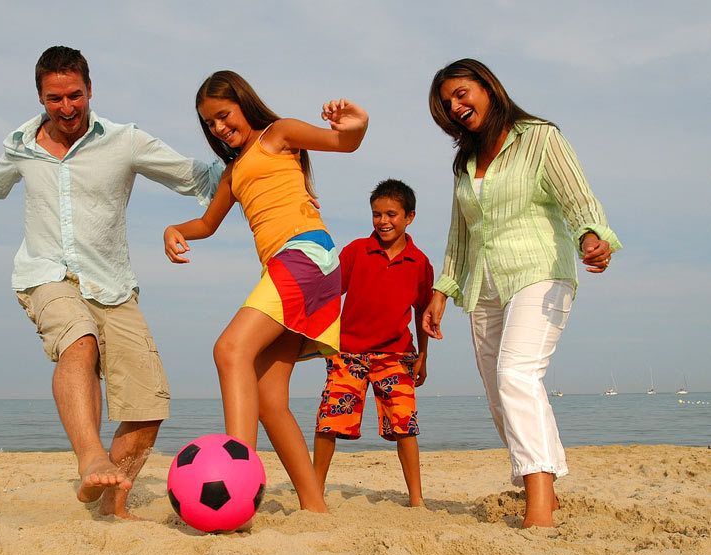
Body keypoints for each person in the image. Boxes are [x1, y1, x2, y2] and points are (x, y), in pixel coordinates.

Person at [0, 46, 222, 519]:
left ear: (90, 89)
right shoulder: (22, 144)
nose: (67, 108)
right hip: (44, 274)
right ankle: (90, 457)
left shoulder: (125, 141)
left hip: (112, 283)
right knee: (78, 342)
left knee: (148, 402)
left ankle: (112, 506)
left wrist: (262, 157)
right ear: (41, 96)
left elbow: (198, 178)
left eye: (75, 96)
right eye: (54, 98)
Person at [422, 59, 622, 528]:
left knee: (516, 375)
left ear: (488, 87)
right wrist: (441, 292)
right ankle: (546, 492)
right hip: (484, 285)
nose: (456, 105)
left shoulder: (539, 137)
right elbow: (460, 236)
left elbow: (579, 198)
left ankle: (538, 507)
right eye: (447, 102)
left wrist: (593, 236)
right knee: (500, 391)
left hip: (539, 271)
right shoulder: (465, 163)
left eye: (462, 92)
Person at [163, 70, 369, 513]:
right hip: (292, 267)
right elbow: (206, 224)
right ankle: (315, 506)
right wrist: (174, 229)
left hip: (306, 255)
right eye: (209, 124)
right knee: (270, 401)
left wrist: (357, 122)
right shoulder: (233, 172)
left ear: (242, 102)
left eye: (223, 115)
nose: (218, 128)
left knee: (229, 350)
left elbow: (344, 143)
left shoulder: (278, 135)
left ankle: (236, 480)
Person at [312, 179, 433, 507]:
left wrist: (423, 355)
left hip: (397, 356)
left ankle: (417, 500)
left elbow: (423, 312)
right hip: (348, 353)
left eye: (391, 214)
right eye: (377, 214)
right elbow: (327, 292)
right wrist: (318, 339)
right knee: (328, 422)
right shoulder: (356, 251)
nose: (383, 221)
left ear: (410, 217)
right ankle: (314, 492)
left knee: (406, 426)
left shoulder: (420, 263)